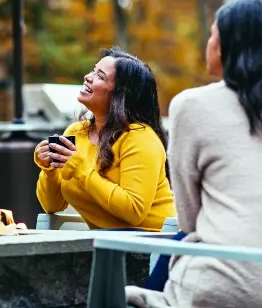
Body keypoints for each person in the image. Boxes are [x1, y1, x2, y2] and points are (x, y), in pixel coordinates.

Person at [126, 0, 262, 307]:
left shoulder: (193, 106)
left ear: (226, 47)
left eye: (212, 35)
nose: (208, 43)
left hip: (224, 289)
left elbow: (189, 220)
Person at [34, 48, 176, 231]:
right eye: (93, 70)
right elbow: (52, 206)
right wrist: (50, 171)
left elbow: (133, 211)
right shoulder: (77, 132)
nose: (88, 76)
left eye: (100, 76)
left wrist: (80, 168)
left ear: (120, 95)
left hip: (151, 243)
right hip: (103, 244)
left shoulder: (140, 138)